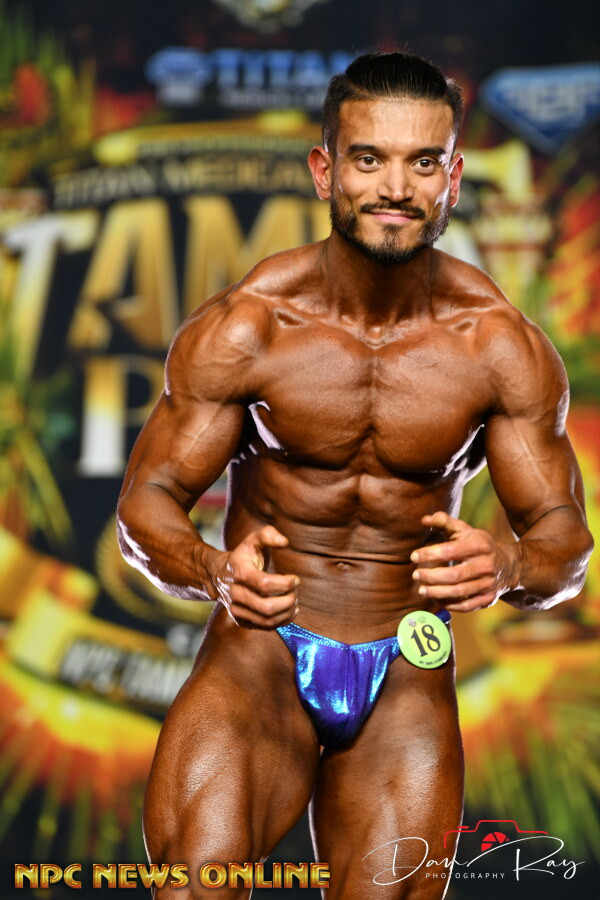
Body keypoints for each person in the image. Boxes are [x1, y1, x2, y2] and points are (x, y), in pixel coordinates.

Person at [117, 52, 593, 899]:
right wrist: (212, 571)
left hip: (406, 665)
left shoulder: (499, 348)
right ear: (325, 170)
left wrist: (511, 564)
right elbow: (146, 504)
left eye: (423, 163)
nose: (395, 188)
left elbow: (566, 542)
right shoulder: (250, 329)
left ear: (452, 179)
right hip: (261, 653)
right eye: (369, 159)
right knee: (195, 885)